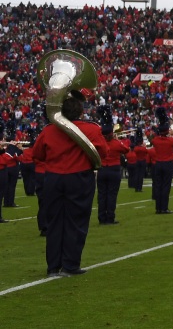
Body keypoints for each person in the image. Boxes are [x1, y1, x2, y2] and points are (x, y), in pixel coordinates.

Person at [32, 87, 108, 276]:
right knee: (77, 222)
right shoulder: (91, 128)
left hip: (53, 179)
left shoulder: (49, 130)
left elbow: (38, 154)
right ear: (80, 110)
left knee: (55, 222)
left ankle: (53, 266)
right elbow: (103, 153)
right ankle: (70, 265)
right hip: (79, 177)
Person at [96, 116, 128, 225]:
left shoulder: (100, 143)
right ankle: (110, 217)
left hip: (102, 169)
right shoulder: (116, 143)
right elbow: (126, 149)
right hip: (114, 170)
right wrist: (116, 139)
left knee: (101, 195)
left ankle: (101, 217)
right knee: (111, 195)